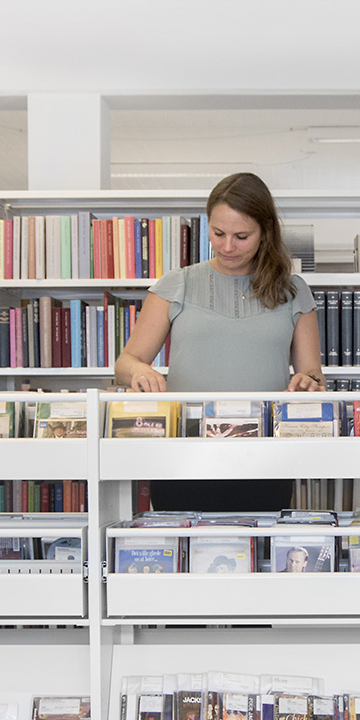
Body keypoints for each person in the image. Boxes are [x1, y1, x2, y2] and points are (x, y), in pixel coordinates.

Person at [115, 172, 325, 512]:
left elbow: (313, 374)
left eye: (242, 236)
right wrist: (138, 371)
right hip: (183, 455)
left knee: (261, 541)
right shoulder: (176, 284)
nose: (228, 246)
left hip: (265, 457)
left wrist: (308, 382)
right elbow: (126, 362)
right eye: (218, 233)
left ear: (265, 232)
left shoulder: (293, 290)